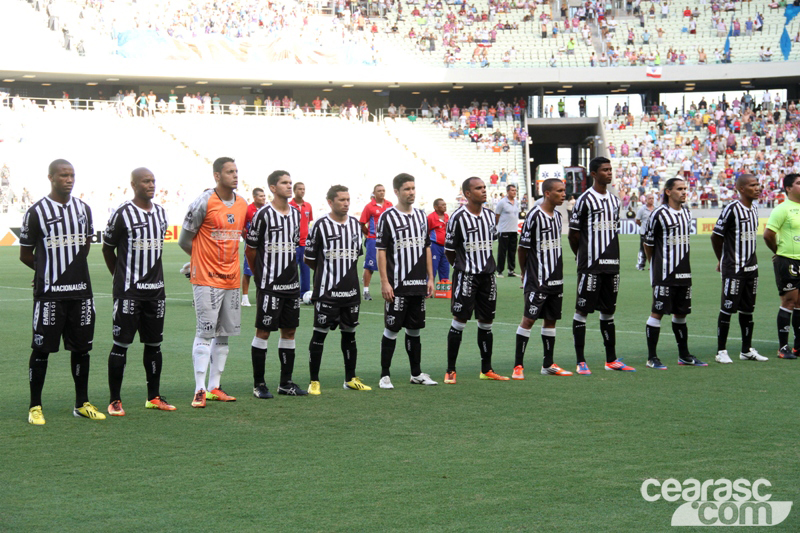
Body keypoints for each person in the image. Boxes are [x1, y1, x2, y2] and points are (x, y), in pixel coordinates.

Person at [20, 159, 105, 425]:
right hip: (50, 295)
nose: (69, 179)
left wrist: (71, 270)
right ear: (51, 178)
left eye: (72, 175)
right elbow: (25, 254)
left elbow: (85, 246)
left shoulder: (83, 209)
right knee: (41, 349)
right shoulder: (36, 212)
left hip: (80, 292)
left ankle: (81, 403)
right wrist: (46, 271)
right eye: (63, 175)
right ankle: (35, 406)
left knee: (81, 349)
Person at [102, 167, 175, 416]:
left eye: (153, 181)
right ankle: (114, 400)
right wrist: (121, 279)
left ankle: (153, 396)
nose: (151, 185)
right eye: (146, 181)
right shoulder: (122, 214)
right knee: (120, 345)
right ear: (133, 185)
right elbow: (107, 249)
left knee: (154, 346)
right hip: (129, 293)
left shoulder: (161, 213)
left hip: (156, 292)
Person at [180, 157, 248, 407]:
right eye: (230, 172)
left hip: (232, 278)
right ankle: (199, 389)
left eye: (237, 171)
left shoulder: (242, 203)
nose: (235, 175)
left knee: (225, 335)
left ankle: (214, 387)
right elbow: (184, 240)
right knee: (205, 332)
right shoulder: (204, 201)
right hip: (207, 278)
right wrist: (200, 261)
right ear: (217, 176)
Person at [568, 157, 635, 374]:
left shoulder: (615, 201)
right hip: (591, 265)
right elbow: (574, 235)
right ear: (594, 174)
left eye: (610, 169)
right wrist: (583, 258)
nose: (609, 173)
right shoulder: (584, 200)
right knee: (582, 311)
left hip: (612, 264)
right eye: (604, 170)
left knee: (608, 311)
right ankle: (580, 361)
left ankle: (611, 359)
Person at [245, 171, 308, 398]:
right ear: (273, 187)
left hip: (291, 286)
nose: (289, 186)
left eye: (291, 183)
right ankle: (259, 384)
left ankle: (285, 382)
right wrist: (261, 277)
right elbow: (250, 250)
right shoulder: (263, 215)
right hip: (270, 285)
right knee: (263, 332)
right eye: (284, 183)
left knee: (289, 332)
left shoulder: (296, 214)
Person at [305, 185, 371, 394]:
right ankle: (314, 381)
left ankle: (350, 378)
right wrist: (327, 274)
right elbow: (310, 258)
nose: (346, 203)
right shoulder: (320, 225)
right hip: (327, 292)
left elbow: (355, 255)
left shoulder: (355, 225)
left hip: (351, 292)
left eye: (348, 199)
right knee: (319, 335)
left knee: (349, 335)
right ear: (330, 202)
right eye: (342, 200)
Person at [376, 173, 438, 389]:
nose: (411, 192)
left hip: (419, 284)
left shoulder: (422, 216)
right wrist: (385, 282)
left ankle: (416, 373)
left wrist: (431, 278)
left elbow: (427, 247)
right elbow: (381, 251)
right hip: (397, 285)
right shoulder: (387, 217)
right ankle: (385, 375)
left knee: (415, 329)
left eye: (413, 188)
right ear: (396, 192)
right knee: (392, 329)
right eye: (406, 189)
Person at [443, 177, 508, 384]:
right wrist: (461, 267)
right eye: (478, 188)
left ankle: (486, 369)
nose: (483, 191)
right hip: (467, 275)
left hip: (488, 276)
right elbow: (449, 250)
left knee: (486, 323)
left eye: (484, 187)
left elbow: (491, 240)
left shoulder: (490, 216)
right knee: (460, 321)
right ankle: (450, 370)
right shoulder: (458, 217)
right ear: (467, 194)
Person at [643, 178, 706, 369]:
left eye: (685, 188)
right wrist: (655, 266)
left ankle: (684, 355)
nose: (684, 192)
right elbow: (648, 243)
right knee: (657, 312)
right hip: (664, 273)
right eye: (680, 189)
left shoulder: (686, 212)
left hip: (684, 272)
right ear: (668, 192)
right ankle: (652, 357)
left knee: (681, 314)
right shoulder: (659, 214)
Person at [513, 178, 572, 379]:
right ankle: (518, 366)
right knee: (528, 320)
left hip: (556, 278)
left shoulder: (557, 216)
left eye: (564, 190)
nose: (564, 194)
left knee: (551, 320)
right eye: (559, 191)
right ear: (547, 193)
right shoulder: (535, 215)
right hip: (537, 279)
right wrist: (524, 272)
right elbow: (523, 248)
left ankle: (548, 364)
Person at [711, 174, 767, 363]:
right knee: (727, 308)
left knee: (748, 309)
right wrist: (722, 259)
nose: (758, 188)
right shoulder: (732, 209)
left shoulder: (755, 208)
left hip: (752, 267)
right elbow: (716, 236)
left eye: (758, 184)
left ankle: (746, 350)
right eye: (753, 185)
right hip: (733, 268)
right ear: (741, 189)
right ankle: (721, 351)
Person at [764, 173, 800, 359]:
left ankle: (798, 346)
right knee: (789, 301)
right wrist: (778, 251)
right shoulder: (782, 209)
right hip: (787, 260)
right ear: (788, 188)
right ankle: (783, 347)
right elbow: (768, 234)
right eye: (799, 183)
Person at [359, 184, 393, 300]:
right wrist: (369, 234)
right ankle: (366, 291)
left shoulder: (389, 205)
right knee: (370, 265)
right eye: (379, 191)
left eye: (383, 190)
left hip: (388, 240)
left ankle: (390, 288)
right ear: (374, 193)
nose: (382, 193)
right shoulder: (369, 207)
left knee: (390, 264)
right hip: (373, 239)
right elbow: (362, 223)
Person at [241, 188, 266, 307]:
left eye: (264, 196)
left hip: (264, 245)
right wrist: (248, 240)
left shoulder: (266, 209)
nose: (263, 198)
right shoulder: (248, 209)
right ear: (255, 197)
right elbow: (242, 227)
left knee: (263, 269)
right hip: (251, 244)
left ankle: (261, 294)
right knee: (247, 270)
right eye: (261, 196)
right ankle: (245, 297)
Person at [289, 182, 314, 296]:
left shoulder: (308, 206)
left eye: (303, 189)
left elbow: (308, 222)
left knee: (305, 269)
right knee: (291, 270)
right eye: (299, 189)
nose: (302, 191)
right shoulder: (289, 205)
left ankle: (304, 293)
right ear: (294, 190)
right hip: (292, 244)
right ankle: (292, 292)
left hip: (305, 243)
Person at [495, 184, 520, 278]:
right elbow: (497, 215)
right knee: (502, 252)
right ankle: (500, 271)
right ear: (508, 191)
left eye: (515, 190)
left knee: (512, 251)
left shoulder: (516, 202)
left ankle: (511, 270)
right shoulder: (502, 202)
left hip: (514, 230)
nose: (514, 192)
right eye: (512, 190)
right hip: (504, 230)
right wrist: (496, 227)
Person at [427, 198, 450, 283]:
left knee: (445, 267)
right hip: (435, 246)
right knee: (432, 268)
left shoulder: (447, 216)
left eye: (445, 205)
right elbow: (426, 231)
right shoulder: (430, 217)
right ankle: (428, 289)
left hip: (445, 246)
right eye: (442, 205)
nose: (445, 206)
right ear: (436, 207)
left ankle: (444, 289)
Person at [634, 194, 656, 270]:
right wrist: (643, 226)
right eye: (649, 198)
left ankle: (653, 265)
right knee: (643, 249)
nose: (651, 200)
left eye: (652, 198)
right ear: (646, 200)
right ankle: (640, 265)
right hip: (644, 232)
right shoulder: (642, 209)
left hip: (654, 233)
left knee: (655, 249)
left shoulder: (656, 209)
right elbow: (637, 220)